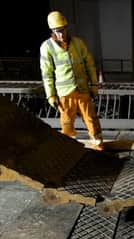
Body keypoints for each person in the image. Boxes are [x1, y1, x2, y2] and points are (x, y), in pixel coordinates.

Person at [40, 11, 103, 149]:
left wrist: (94, 85)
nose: (61, 34)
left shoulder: (78, 44)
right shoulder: (47, 47)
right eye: (57, 31)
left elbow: (90, 65)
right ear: (52, 30)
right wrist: (51, 95)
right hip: (65, 94)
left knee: (91, 119)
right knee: (67, 123)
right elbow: (47, 74)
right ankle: (69, 149)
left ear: (66, 27)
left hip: (82, 90)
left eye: (62, 30)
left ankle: (98, 146)